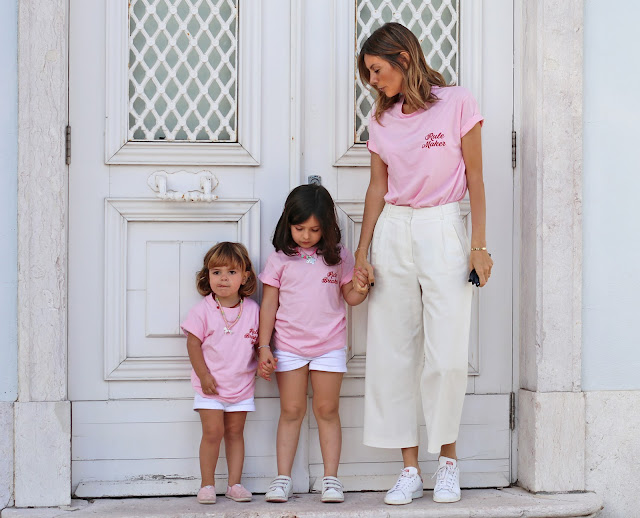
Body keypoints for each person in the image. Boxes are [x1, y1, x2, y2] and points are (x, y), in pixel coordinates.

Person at [353, 22, 494, 505]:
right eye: (369, 74)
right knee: (393, 353)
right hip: (394, 230)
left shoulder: (457, 102)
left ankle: (448, 462)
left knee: (447, 354)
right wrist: (362, 252)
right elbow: (377, 186)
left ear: (404, 58)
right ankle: (410, 469)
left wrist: (479, 245)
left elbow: (476, 177)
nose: (373, 81)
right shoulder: (382, 119)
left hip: (443, 227)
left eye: (377, 70)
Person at [257, 184, 369, 504]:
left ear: (327, 227)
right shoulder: (280, 259)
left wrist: (362, 288)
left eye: (315, 230)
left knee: (327, 409)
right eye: (299, 228)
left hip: (329, 345)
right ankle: (283, 478)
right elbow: (269, 305)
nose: (306, 236)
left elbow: (349, 297)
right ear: (287, 224)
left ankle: (331, 479)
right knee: (291, 410)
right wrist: (264, 346)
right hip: (288, 346)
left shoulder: (339, 257)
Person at [181, 242, 260, 504]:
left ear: (245, 276)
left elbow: (259, 343)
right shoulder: (203, 310)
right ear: (208, 276)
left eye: (231, 272)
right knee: (213, 433)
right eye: (216, 272)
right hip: (210, 387)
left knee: (235, 434)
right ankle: (207, 484)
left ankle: (234, 484)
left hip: (241, 386)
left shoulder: (253, 310)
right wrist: (204, 375)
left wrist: (264, 359)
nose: (223, 278)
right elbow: (193, 344)